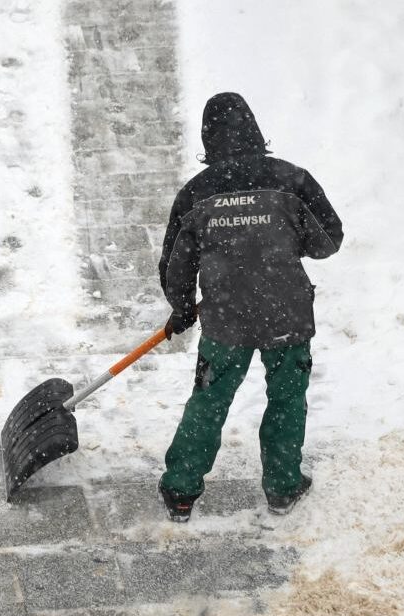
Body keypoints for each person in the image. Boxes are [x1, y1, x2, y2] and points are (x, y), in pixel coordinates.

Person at [158, 92, 344, 521]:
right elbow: (328, 240)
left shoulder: (196, 193)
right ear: (255, 129)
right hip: (286, 313)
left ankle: (182, 491)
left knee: (209, 400)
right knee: (287, 399)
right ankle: (282, 488)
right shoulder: (291, 180)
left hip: (226, 318)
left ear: (208, 139)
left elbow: (175, 264)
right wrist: (280, 242)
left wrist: (183, 306)